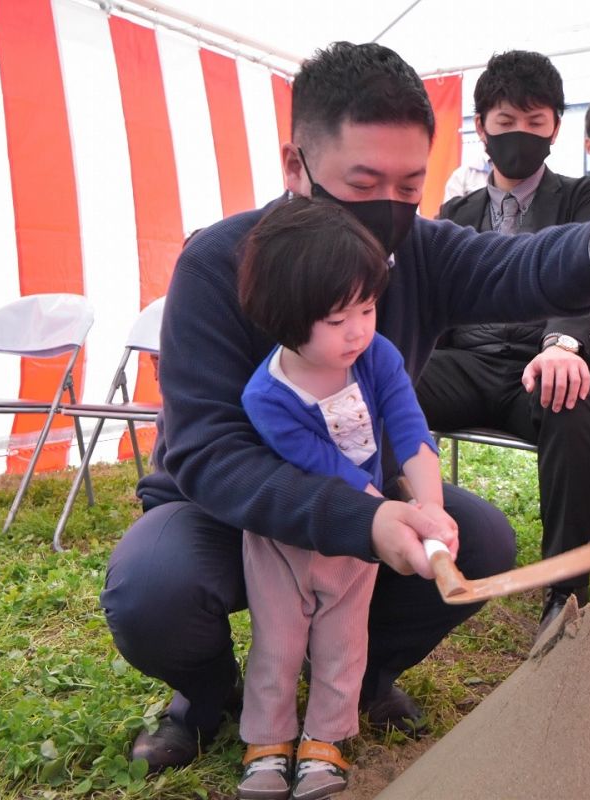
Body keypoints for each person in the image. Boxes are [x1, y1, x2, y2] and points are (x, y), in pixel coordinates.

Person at [100, 40, 590, 772]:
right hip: (228, 515)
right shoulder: (220, 263)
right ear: (297, 168)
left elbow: (519, 266)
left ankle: (364, 674)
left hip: (364, 493)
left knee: (478, 541)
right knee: (153, 589)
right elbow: (207, 454)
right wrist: (367, 519)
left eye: (410, 185)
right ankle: (207, 694)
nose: (389, 209)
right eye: (364, 180)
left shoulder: (420, 252)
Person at [235, 198, 442, 800]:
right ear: (286, 319)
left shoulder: (376, 356)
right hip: (288, 538)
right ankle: (268, 742)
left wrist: (429, 512)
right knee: (277, 638)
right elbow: (329, 473)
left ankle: (325, 739)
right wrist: (389, 515)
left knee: (345, 637)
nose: (358, 328)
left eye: (368, 307)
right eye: (336, 317)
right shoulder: (267, 396)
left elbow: (409, 430)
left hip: (363, 535)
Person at [416, 51, 590, 639]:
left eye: (536, 122)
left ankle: (565, 595)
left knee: (571, 401)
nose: (520, 135)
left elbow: (589, 269)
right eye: (506, 122)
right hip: (467, 360)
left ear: (556, 126)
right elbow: (430, 297)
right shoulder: (455, 212)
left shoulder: (586, 198)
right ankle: (389, 543)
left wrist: (562, 344)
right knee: (387, 390)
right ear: (481, 126)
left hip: (545, 359)